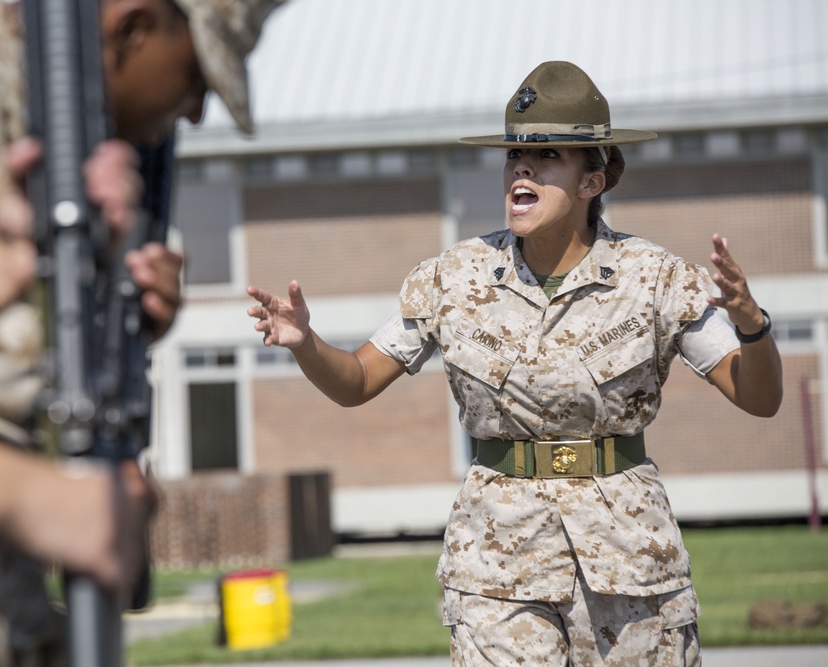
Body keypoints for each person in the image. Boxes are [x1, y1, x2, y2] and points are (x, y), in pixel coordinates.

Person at [247, 61, 783, 666]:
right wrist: (305, 342)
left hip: (630, 558)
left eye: (546, 154)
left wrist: (751, 326)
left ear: (593, 181)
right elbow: (358, 381)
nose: (520, 169)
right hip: (496, 559)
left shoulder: (656, 278)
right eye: (513, 156)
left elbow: (758, 397)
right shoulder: (453, 278)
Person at [0, 0, 286, 664]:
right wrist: (37, 496)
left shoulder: (63, 127)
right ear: (134, 28)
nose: (193, 112)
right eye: (196, 78)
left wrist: (127, 319)